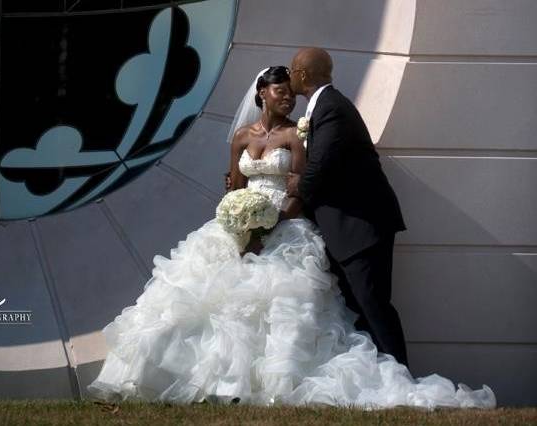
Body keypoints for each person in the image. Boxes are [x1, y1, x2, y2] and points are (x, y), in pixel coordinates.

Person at [87, 66, 495, 408]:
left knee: (282, 309)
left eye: (291, 94)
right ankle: (206, 385)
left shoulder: (296, 136)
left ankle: (273, 387)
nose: (288, 99)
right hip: (239, 228)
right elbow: (232, 187)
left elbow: (301, 188)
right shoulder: (243, 137)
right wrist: (239, 222)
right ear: (262, 94)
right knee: (202, 304)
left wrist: (269, 226)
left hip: (286, 226)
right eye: (280, 92)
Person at [285, 47, 409, 366]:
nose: (289, 76)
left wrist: (297, 185)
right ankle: (381, 378)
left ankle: (401, 377)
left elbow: (320, 166)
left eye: (292, 70)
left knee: (374, 306)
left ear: (302, 74)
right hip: (345, 231)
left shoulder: (331, 108)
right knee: (361, 310)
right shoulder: (324, 106)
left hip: (361, 227)